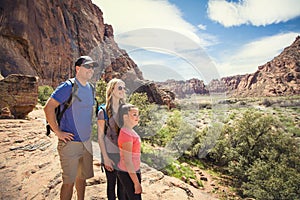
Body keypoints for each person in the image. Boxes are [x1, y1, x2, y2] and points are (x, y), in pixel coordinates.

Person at [44, 56, 97, 200]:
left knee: (82, 178)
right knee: (68, 182)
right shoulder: (68, 86)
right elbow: (48, 107)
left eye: (92, 67)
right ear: (78, 68)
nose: (91, 70)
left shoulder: (91, 88)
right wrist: (58, 132)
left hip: (86, 142)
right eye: (87, 66)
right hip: (70, 143)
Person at [97, 78, 127, 200]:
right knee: (111, 186)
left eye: (124, 88)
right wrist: (106, 159)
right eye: (120, 88)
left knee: (123, 188)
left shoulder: (125, 109)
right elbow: (100, 136)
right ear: (112, 90)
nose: (123, 90)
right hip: (110, 154)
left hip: (124, 154)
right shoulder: (102, 111)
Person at [117, 104, 142, 200]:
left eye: (138, 114)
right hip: (128, 174)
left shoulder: (129, 131)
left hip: (131, 173)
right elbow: (128, 161)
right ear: (125, 117)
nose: (137, 117)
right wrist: (136, 183)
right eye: (134, 114)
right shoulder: (126, 134)